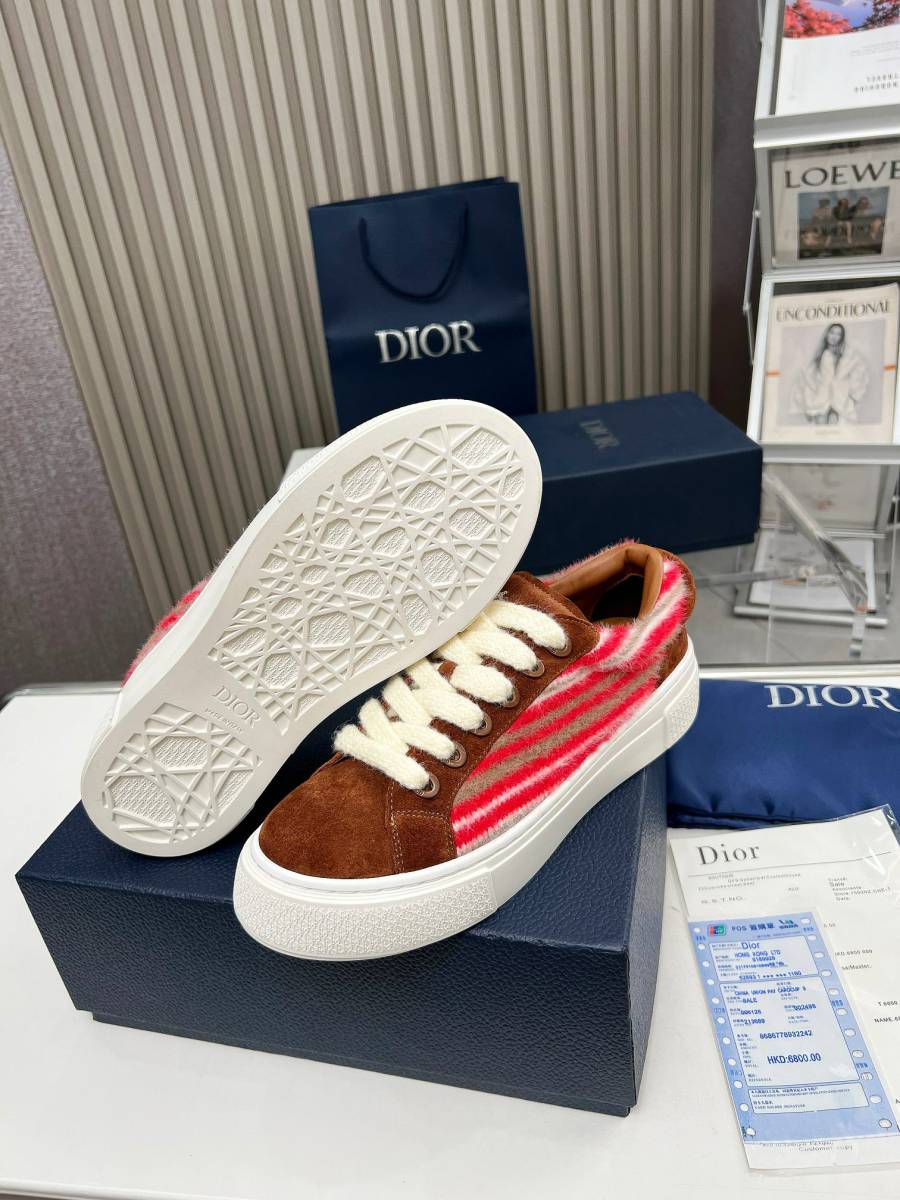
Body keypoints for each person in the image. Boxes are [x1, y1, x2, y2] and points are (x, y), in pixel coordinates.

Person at [790, 322, 869, 425]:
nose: (834, 337)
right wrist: (806, 405)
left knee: (835, 428)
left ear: (841, 337)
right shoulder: (820, 356)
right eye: (832, 332)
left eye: (838, 334)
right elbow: (808, 379)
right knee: (821, 429)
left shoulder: (846, 356)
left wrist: (853, 396)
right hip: (821, 400)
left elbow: (859, 374)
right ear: (827, 334)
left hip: (839, 400)